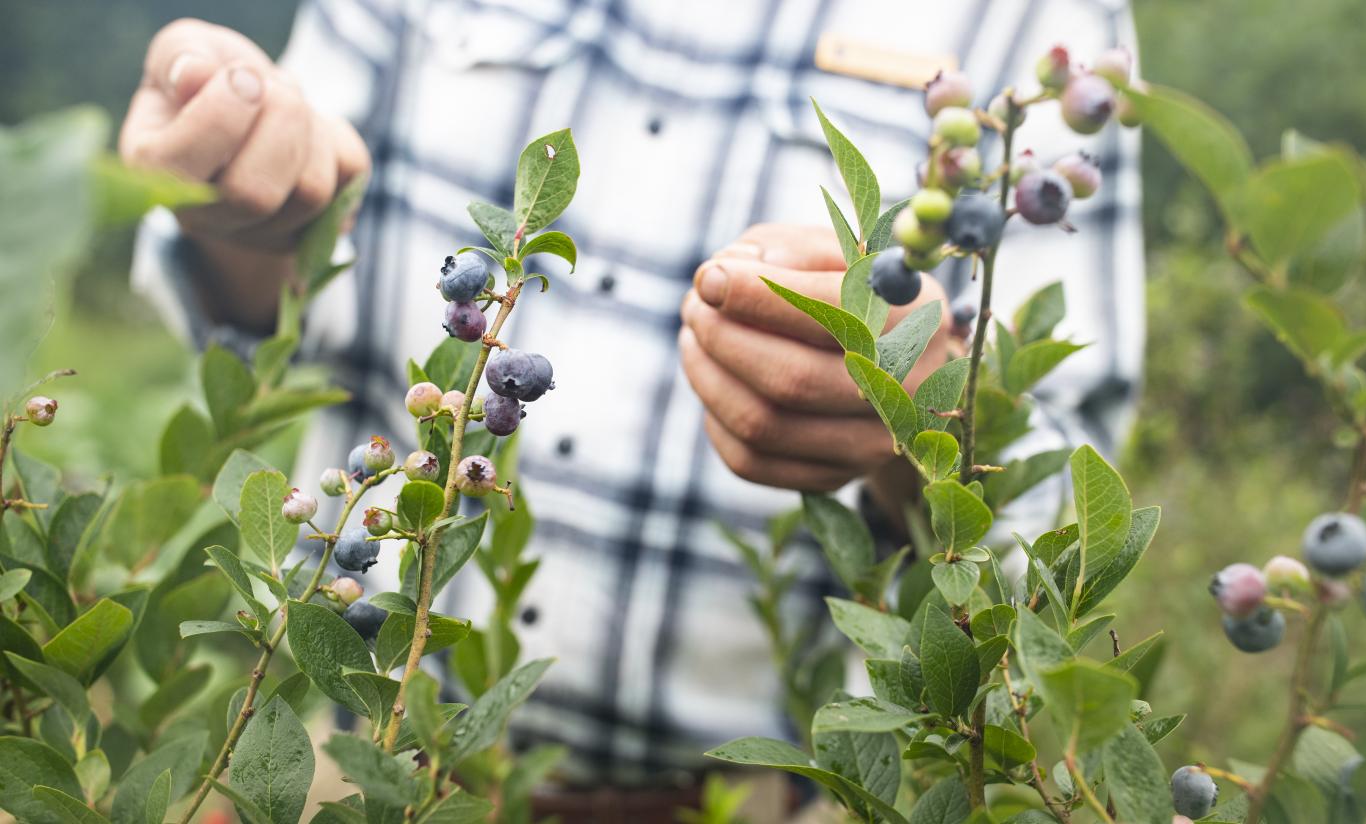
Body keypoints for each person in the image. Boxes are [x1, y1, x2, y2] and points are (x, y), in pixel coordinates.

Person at [122, 0, 1144, 816]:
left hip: (754, 802)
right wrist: (242, 216)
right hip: (356, 769)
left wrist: (921, 418)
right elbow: (272, 284)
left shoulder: (1039, 28)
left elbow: (1058, 538)